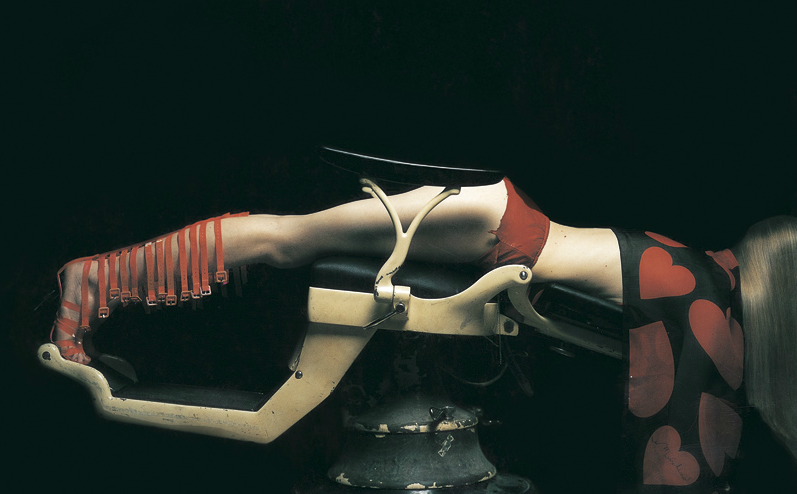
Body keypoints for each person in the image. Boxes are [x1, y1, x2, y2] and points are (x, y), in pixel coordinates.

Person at [49, 174, 796, 492]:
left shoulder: (708, 273)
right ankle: (92, 281)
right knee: (280, 238)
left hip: (496, 218)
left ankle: (99, 282)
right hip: (494, 226)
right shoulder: (706, 297)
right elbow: (686, 455)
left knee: (282, 239)